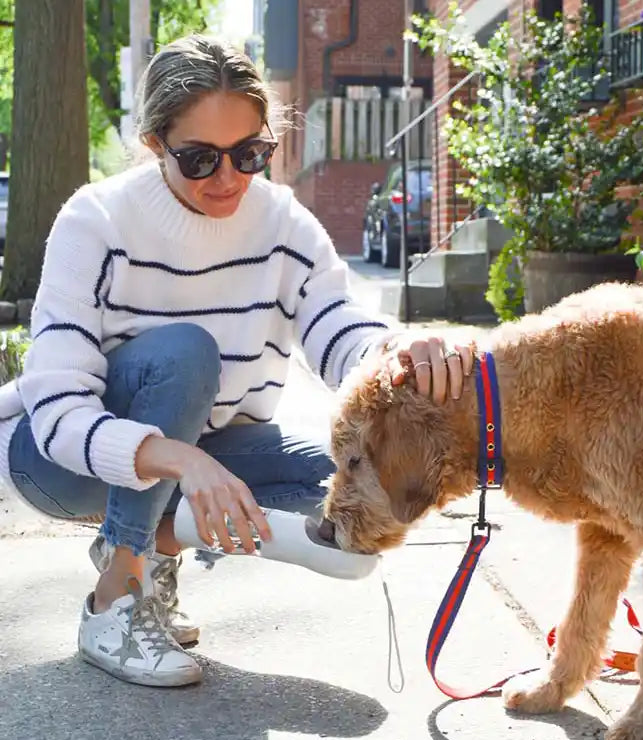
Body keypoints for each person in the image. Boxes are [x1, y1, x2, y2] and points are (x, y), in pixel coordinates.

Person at [0, 34, 471, 688]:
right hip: (56, 461)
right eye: (199, 159)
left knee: (350, 504)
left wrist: (398, 352)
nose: (230, 180)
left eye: (251, 154)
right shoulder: (99, 220)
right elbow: (55, 413)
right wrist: (183, 462)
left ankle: (142, 543)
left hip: (215, 445)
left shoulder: (280, 220)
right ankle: (116, 598)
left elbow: (338, 326)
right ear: (154, 144)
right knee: (187, 353)